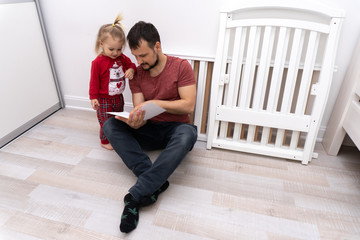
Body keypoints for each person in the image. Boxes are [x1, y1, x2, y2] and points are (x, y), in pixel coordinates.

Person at [103, 21, 198, 233]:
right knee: (110, 126)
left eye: (143, 55)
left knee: (187, 134)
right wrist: (136, 119)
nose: (139, 61)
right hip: (150, 129)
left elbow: (188, 105)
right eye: (135, 56)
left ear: (157, 47)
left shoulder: (181, 66)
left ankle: (135, 196)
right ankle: (155, 180)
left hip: (176, 129)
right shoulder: (137, 74)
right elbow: (140, 110)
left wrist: (157, 104)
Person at [89, 15, 136, 150]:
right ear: (102, 44)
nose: (116, 53)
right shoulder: (97, 62)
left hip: (118, 98)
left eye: (119, 49)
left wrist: (131, 70)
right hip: (103, 99)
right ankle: (104, 141)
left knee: (117, 118)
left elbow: (131, 64)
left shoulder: (122, 58)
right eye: (111, 49)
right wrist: (93, 98)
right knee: (105, 121)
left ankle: (115, 136)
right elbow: (94, 82)